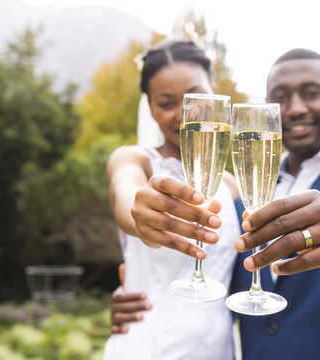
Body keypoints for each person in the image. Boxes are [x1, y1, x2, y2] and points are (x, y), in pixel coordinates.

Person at [109, 48, 320, 360]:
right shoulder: (243, 188)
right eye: (281, 97)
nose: (296, 108)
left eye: (311, 93)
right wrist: (135, 290)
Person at [102, 40, 242, 360]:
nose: (185, 115)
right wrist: (140, 212)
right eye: (166, 103)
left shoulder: (233, 185)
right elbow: (126, 194)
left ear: (215, 92)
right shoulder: (134, 160)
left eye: (196, 96)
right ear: (150, 108)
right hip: (147, 347)